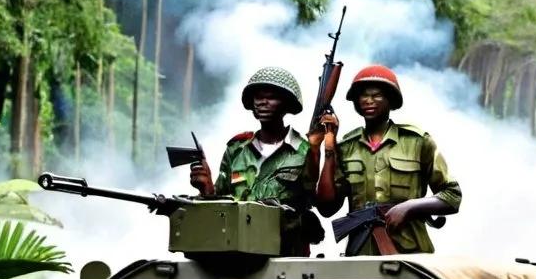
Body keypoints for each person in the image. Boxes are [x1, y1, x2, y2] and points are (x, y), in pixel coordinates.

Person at [313, 65, 461, 255]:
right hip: (360, 255)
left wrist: (410, 207)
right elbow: (327, 208)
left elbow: (452, 196)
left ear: (391, 100)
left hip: (410, 254)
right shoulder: (346, 147)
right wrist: (329, 151)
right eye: (363, 96)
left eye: (377, 95)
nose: (368, 100)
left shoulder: (416, 142)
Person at [189, 67, 322, 256]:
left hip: (285, 253)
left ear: (286, 104)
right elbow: (219, 203)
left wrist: (318, 151)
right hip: (234, 250)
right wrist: (206, 187)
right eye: (258, 97)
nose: (263, 103)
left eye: (271, 97)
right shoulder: (236, 149)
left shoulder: (305, 151)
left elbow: (314, 195)